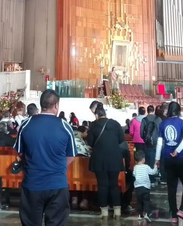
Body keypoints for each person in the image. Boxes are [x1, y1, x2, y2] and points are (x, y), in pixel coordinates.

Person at [16, 90, 76, 226]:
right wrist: (57, 168)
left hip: (32, 184)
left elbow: (20, 153)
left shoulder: (26, 125)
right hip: (57, 185)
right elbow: (71, 156)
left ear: (41, 104)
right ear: (56, 105)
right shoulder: (65, 126)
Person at [156, 102, 183, 223]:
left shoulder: (163, 123)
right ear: (179, 111)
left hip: (168, 158)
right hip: (181, 157)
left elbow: (160, 143)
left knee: (171, 188)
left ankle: (173, 216)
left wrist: (157, 159)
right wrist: (177, 150)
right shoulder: (182, 123)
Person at [87, 106, 125, 219]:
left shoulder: (94, 125)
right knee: (114, 185)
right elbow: (121, 140)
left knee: (102, 185)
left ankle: (104, 212)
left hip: (99, 159)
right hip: (114, 158)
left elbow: (90, 143)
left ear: (96, 115)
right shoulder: (115, 124)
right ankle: (117, 212)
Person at [132, 151, 157, 223]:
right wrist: (155, 166)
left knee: (139, 202)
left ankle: (140, 215)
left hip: (137, 188)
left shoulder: (135, 167)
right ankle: (146, 214)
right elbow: (153, 172)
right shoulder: (146, 167)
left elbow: (134, 175)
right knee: (146, 201)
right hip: (145, 187)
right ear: (143, 159)